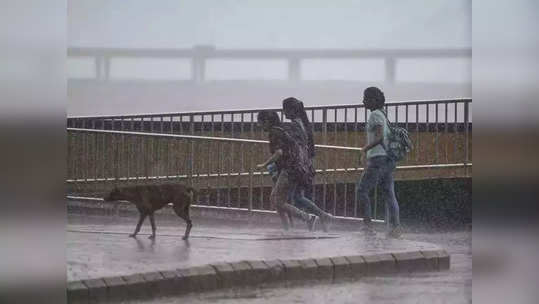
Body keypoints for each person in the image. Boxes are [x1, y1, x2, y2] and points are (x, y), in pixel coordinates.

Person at [256, 110, 318, 231]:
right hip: (296, 167)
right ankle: (287, 228)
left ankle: (308, 218)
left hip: (290, 169)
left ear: (267, 121)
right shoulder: (282, 129)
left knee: (277, 200)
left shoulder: (274, 132)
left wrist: (264, 164)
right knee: (275, 199)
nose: (259, 126)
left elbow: (279, 152)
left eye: (260, 122)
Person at [281, 97, 334, 232]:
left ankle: (312, 218)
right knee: (297, 196)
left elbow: (297, 146)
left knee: (289, 197)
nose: (284, 112)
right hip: (305, 164)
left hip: (299, 165)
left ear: (292, 110)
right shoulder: (303, 123)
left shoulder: (296, 125)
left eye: (285, 109)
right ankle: (320, 216)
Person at [357, 87, 401, 238]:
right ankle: (395, 228)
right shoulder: (383, 114)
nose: (363, 101)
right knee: (389, 193)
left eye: (366, 98)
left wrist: (364, 149)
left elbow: (380, 137)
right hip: (387, 159)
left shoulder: (375, 115)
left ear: (373, 100)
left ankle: (367, 226)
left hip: (377, 159)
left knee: (362, 190)